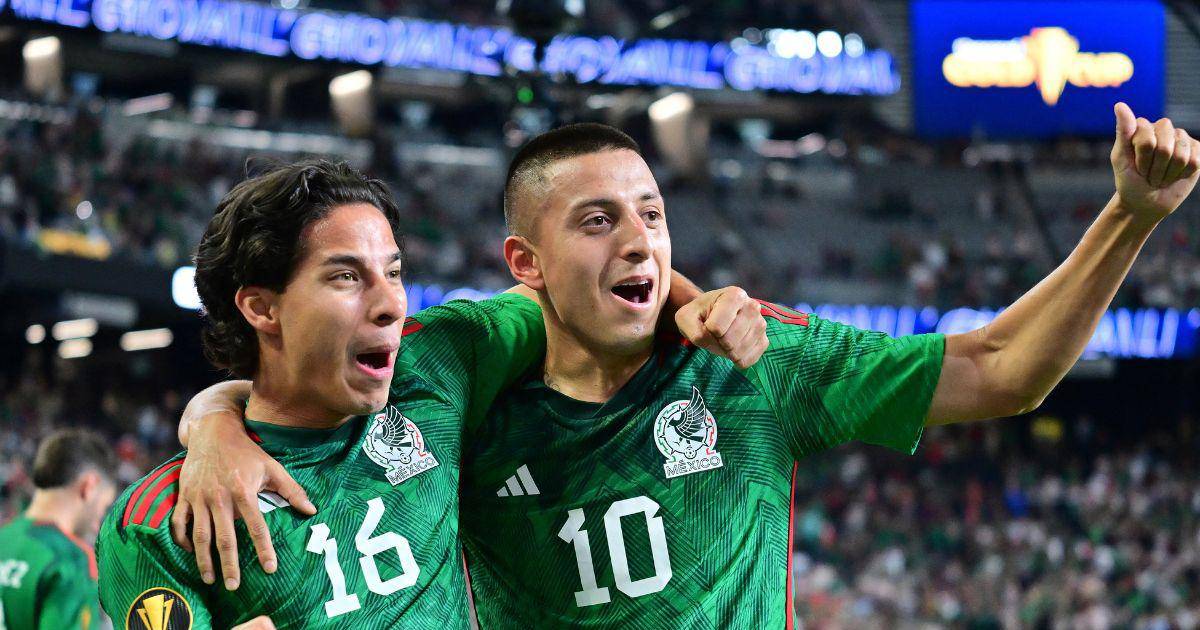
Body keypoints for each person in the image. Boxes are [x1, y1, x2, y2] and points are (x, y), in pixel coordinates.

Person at [98, 159, 763, 628]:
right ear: (261, 308)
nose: (391, 303)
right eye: (345, 277)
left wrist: (694, 302)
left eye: (393, 272)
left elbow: (577, 286)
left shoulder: (437, 365)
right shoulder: (161, 523)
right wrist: (216, 422)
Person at [0, 429, 118, 630]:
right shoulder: (70, 559)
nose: (98, 522)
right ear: (89, 487)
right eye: (104, 506)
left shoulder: (5, 537)